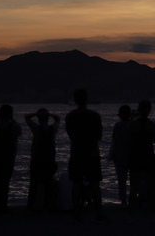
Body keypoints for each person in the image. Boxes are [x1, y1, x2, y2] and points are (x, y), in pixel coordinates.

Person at [65, 89, 105, 221]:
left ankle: (77, 213)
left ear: (75, 100)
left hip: (76, 154)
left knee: (76, 183)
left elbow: (70, 135)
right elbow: (99, 135)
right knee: (94, 184)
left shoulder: (70, 116)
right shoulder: (94, 116)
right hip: (92, 154)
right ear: (87, 99)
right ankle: (98, 213)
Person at [127, 100, 155, 223]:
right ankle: (154, 214)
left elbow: (127, 141)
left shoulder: (133, 125)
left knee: (134, 188)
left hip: (135, 157)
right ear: (149, 110)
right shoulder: (153, 125)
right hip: (148, 157)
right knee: (151, 188)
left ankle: (131, 215)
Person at [0, 104, 22, 214]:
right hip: (9, 156)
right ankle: (3, 205)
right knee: (5, 182)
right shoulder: (15, 125)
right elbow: (18, 135)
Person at [25, 108, 60, 211]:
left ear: (39, 119)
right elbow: (57, 118)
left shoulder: (36, 128)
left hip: (37, 159)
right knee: (48, 183)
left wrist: (37, 114)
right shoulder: (53, 129)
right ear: (48, 118)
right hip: (49, 159)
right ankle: (46, 205)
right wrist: (49, 114)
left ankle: (31, 206)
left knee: (34, 183)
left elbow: (27, 117)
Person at [108, 104, 131, 208]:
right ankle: (135, 198)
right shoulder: (133, 125)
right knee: (135, 180)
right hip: (131, 156)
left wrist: (111, 155)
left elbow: (114, 141)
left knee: (121, 180)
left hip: (119, 156)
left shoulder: (117, 126)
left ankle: (123, 201)